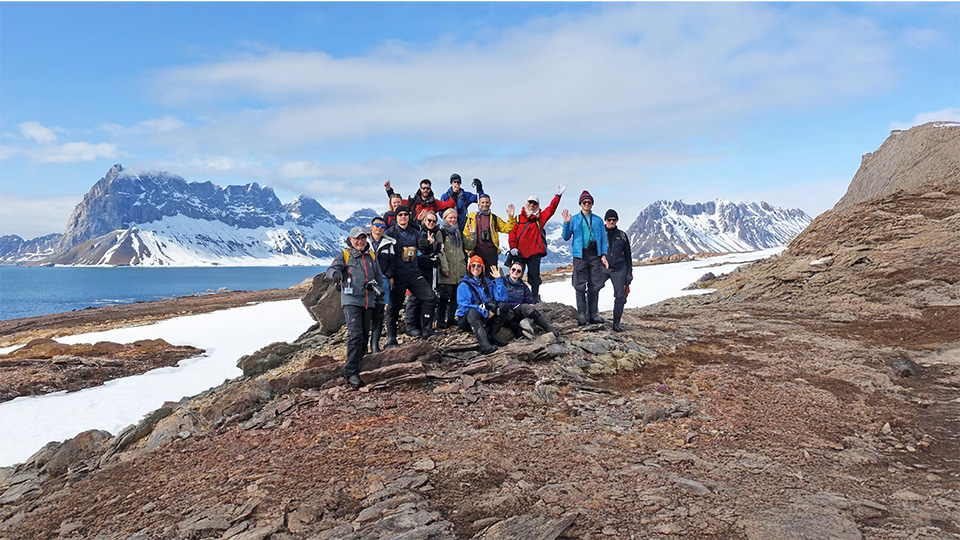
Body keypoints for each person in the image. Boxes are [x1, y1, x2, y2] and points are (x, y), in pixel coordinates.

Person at [324, 226, 385, 389]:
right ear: (350, 240)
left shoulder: (371, 255)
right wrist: (335, 274)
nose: (360, 241)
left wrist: (380, 296)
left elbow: (378, 277)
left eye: (363, 238)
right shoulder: (344, 255)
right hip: (351, 301)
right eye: (357, 238)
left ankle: (361, 365)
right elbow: (330, 270)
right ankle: (350, 372)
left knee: (365, 334)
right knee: (356, 335)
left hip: (369, 301)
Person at [384, 206, 438, 344]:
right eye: (400, 214)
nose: (403, 217)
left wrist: (427, 246)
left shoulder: (415, 233)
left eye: (405, 214)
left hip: (413, 273)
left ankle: (427, 330)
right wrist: (388, 274)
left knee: (430, 297)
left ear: (409, 217)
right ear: (396, 217)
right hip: (397, 275)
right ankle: (391, 337)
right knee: (394, 307)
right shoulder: (389, 233)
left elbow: (423, 249)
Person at [507, 183, 567, 301]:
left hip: (534, 253)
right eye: (530, 202)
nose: (532, 205)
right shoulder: (518, 219)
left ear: (537, 205)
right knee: (516, 275)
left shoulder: (540, 218)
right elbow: (511, 234)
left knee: (534, 277)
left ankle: (534, 297)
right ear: (526, 203)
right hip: (519, 253)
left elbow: (551, 210)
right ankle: (516, 295)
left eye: (535, 203)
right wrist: (513, 247)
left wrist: (558, 196)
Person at [561, 190, 608, 326]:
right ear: (580, 204)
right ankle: (582, 314)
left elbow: (603, 239)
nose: (587, 204)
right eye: (584, 202)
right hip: (580, 254)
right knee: (579, 285)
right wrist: (566, 223)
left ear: (592, 204)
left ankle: (593, 314)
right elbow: (565, 236)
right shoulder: (574, 219)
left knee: (595, 285)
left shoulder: (598, 220)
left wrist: (603, 254)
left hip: (595, 254)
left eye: (589, 202)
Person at [456, 255, 510, 354]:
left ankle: (492, 336)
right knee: (472, 310)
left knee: (504, 306)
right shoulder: (464, 285)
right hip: (468, 320)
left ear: (482, 268)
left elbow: (502, 298)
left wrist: (498, 280)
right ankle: (484, 345)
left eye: (478, 266)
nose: (476, 268)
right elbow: (464, 306)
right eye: (473, 265)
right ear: (469, 268)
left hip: (485, 316)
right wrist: (485, 312)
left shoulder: (487, 283)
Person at [501, 260, 561, 340]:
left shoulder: (523, 287)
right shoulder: (502, 281)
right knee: (505, 308)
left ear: (521, 274)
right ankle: (519, 332)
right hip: (504, 311)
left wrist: (530, 307)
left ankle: (548, 329)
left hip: (517, 311)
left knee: (528, 308)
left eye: (518, 271)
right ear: (509, 270)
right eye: (513, 269)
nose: (515, 272)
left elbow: (529, 301)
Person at [436, 209, 475, 329]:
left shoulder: (459, 233)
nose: (453, 220)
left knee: (456, 296)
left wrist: (472, 234)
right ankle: (440, 320)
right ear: (445, 218)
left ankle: (451, 318)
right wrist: (444, 268)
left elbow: (469, 246)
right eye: (450, 218)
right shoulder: (441, 233)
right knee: (444, 296)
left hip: (459, 270)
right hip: (447, 270)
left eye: (455, 218)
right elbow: (440, 252)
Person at [463, 194, 515, 278]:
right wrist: (468, 250)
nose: (484, 204)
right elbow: (466, 234)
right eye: (482, 202)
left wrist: (510, 217)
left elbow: (507, 229)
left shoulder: (494, 218)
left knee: (491, 276)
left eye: (487, 202)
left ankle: (490, 291)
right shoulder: (472, 217)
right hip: (476, 252)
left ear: (490, 203)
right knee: (477, 276)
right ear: (478, 204)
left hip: (491, 252)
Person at [367, 216, 396, 351]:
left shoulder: (389, 243)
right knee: (366, 311)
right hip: (366, 280)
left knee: (379, 312)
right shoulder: (363, 242)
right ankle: (363, 344)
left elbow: (392, 262)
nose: (379, 228)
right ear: (371, 226)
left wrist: (389, 275)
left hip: (382, 279)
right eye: (377, 225)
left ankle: (374, 345)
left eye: (382, 226)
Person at [603, 209, 633, 332]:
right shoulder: (599, 233)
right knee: (593, 289)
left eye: (613, 220)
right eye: (609, 219)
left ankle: (616, 323)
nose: (611, 222)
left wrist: (629, 273)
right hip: (603, 268)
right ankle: (591, 316)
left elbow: (628, 255)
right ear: (605, 220)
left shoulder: (622, 235)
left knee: (620, 296)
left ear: (617, 221)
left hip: (620, 268)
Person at [385, 178, 456, 221]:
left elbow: (450, 204)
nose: (425, 190)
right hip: (415, 229)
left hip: (429, 229)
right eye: (423, 188)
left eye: (427, 188)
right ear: (420, 188)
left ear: (430, 189)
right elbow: (397, 202)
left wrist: (454, 192)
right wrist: (389, 190)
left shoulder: (434, 203)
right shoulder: (413, 202)